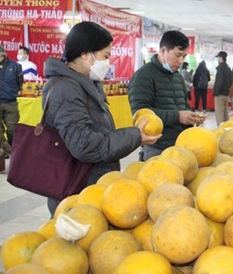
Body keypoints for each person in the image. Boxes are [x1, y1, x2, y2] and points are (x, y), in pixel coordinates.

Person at [42, 21, 161, 216]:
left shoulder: (87, 83)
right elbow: (84, 144)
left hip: (94, 185)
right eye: (105, 56)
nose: (108, 62)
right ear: (85, 55)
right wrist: (134, 136)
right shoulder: (66, 90)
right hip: (78, 192)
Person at [128, 30, 206, 161]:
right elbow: (141, 114)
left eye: (184, 56)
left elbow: (183, 106)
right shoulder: (143, 76)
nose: (181, 61)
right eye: (177, 55)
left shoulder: (178, 77)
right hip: (157, 148)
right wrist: (177, 116)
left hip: (181, 145)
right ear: (163, 51)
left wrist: (192, 117)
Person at [0, 45, 23, 158]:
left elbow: (20, 82)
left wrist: (12, 91)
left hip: (10, 102)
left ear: (3, 54)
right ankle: (3, 151)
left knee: (12, 128)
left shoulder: (15, 66)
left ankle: (12, 148)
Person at [213, 51, 233, 125]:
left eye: (218, 57)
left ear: (220, 58)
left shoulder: (220, 68)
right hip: (226, 94)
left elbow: (219, 81)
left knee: (219, 115)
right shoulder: (228, 68)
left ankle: (220, 131)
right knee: (225, 114)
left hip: (220, 95)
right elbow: (231, 81)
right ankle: (227, 130)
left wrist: (216, 92)